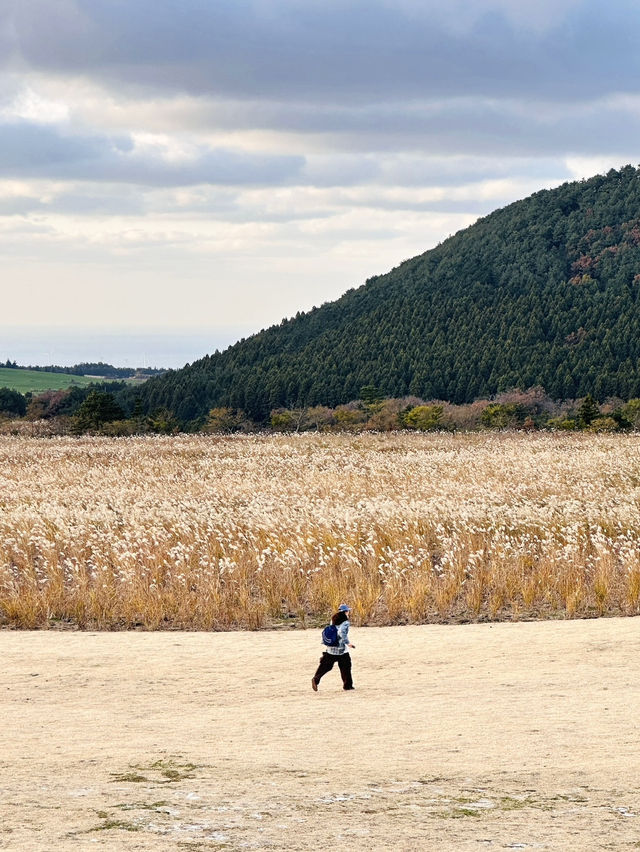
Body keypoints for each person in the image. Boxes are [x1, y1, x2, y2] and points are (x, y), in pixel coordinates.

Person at [311, 604, 356, 691]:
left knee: (325, 666)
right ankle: (348, 686)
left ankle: (316, 679)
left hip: (330, 648)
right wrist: (348, 643)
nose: (349, 612)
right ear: (345, 612)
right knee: (346, 666)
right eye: (348, 611)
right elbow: (342, 633)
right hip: (341, 649)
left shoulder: (333, 619)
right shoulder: (345, 622)